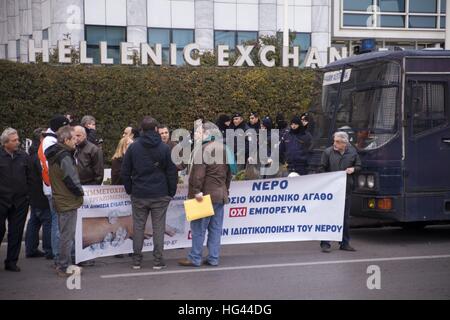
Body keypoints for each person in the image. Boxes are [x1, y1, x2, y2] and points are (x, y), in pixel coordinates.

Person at [121, 116, 177, 270]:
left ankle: (136, 260)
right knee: (159, 227)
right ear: (156, 130)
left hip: (139, 193)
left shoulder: (134, 147)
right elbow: (172, 172)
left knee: (138, 227)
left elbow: (125, 171)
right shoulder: (165, 148)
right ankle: (158, 261)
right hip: (160, 193)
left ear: (141, 130)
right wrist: (171, 192)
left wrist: (130, 189)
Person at [178, 122, 233, 267]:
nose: (197, 135)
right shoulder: (224, 149)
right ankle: (213, 258)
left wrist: (196, 191)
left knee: (198, 229)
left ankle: (195, 257)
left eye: (199, 132)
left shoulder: (202, 150)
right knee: (215, 229)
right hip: (220, 195)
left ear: (207, 134)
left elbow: (198, 175)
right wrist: (226, 189)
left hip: (204, 196)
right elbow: (229, 173)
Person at [45, 126, 84, 277]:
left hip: (60, 198)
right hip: (67, 200)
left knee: (63, 234)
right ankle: (63, 266)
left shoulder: (55, 153)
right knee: (67, 235)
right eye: (74, 138)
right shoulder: (64, 156)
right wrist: (80, 192)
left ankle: (62, 263)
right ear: (66, 140)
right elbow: (71, 179)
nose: (76, 140)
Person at [319, 131, 361, 253]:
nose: (335, 143)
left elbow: (359, 166)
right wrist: (328, 178)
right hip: (331, 191)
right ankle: (325, 243)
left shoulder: (352, 152)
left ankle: (345, 243)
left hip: (346, 190)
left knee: (345, 218)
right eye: (334, 141)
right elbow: (321, 168)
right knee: (328, 217)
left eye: (337, 141)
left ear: (345, 143)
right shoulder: (327, 152)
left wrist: (353, 169)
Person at [38, 114, 70, 267]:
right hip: (55, 190)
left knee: (58, 223)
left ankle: (59, 254)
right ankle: (58, 257)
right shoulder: (50, 142)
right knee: (58, 224)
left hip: (53, 188)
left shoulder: (49, 140)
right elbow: (53, 168)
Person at [0, 128, 31, 272]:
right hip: (2, 201)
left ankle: (11, 261)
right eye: (14, 140)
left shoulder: (23, 156)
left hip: (20, 202)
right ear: (5, 143)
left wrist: (28, 196)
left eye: (18, 139)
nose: (18, 142)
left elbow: (30, 177)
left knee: (16, 232)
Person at [25, 128, 52, 259]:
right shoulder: (39, 155)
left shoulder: (30, 154)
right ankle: (49, 250)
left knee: (34, 221)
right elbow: (45, 174)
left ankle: (30, 249)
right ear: (41, 139)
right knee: (47, 221)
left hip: (33, 193)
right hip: (42, 193)